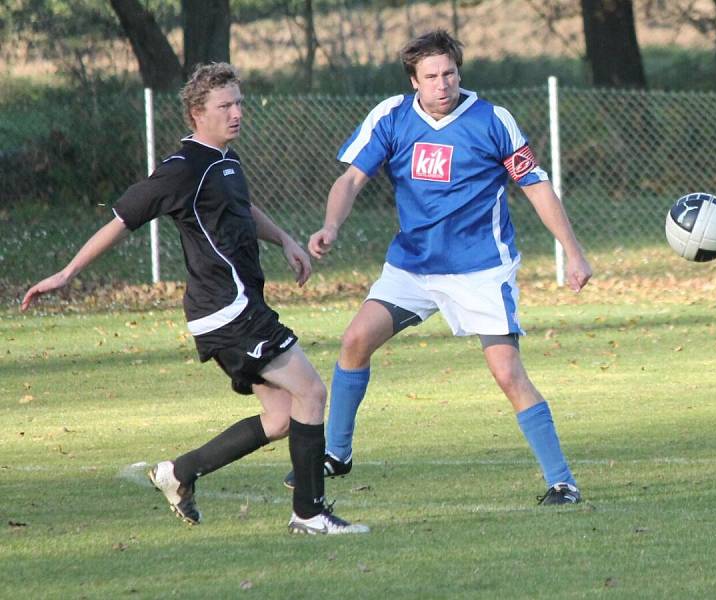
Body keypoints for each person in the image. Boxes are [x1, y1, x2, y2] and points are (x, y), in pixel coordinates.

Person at [20, 62, 368, 535]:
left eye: (239, 102)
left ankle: (179, 473)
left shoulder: (226, 160)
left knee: (282, 416)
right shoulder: (181, 169)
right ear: (196, 113)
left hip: (237, 307)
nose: (237, 112)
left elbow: (243, 208)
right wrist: (67, 272)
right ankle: (308, 514)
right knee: (312, 392)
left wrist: (284, 240)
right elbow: (122, 220)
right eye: (225, 105)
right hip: (228, 311)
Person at [283, 30, 592, 505]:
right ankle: (336, 454)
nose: (443, 83)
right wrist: (331, 226)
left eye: (449, 72)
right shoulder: (391, 116)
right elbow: (350, 179)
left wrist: (573, 251)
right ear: (415, 81)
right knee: (355, 340)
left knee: (508, 374)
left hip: (480, 268)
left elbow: (537, 187)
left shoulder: (494, 120)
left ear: (459, 72)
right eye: (431, 76)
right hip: (413, 266)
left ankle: (562, 481)